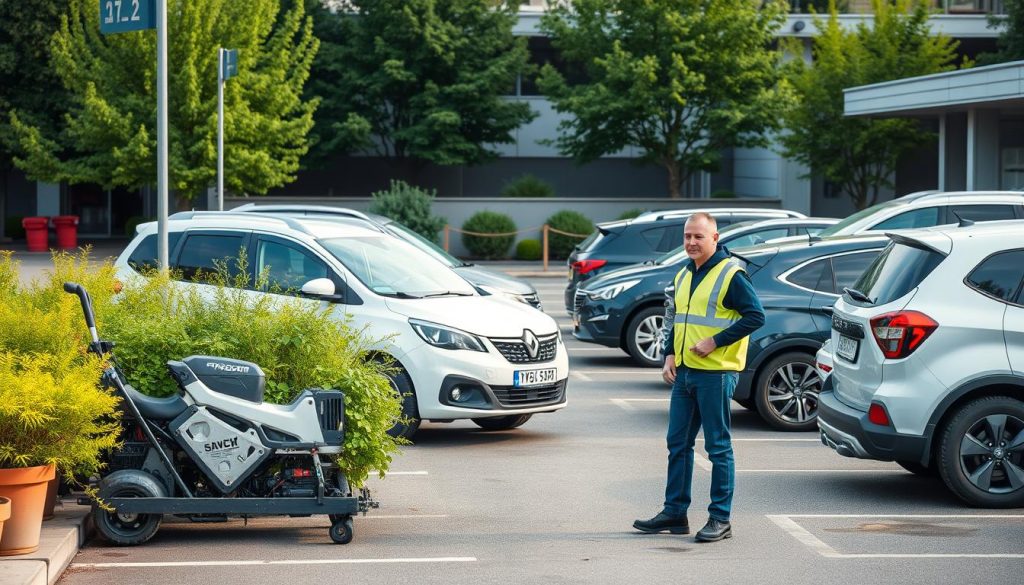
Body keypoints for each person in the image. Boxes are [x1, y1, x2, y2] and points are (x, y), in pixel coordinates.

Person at [633, 212, 765, 542]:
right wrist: (669, 353)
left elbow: (756, 316)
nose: (691, 242)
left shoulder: (731, 274)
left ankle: (721, 519)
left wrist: (715, 341)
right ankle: (675, 513)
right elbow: (675, 316)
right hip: (686, 373)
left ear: (715, 239)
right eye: (687, 236)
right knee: (677, 443)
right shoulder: (684, 273)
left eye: (699, 237)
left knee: (718, 448)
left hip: (717, 373)